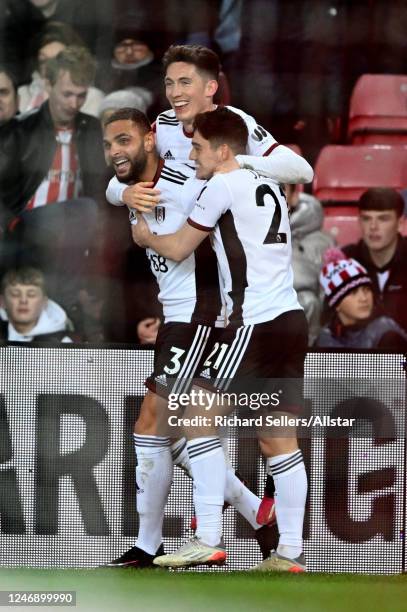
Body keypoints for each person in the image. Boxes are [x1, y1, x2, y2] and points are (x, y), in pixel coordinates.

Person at [133, 107, 308, 572]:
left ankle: (206, 536)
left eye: (198, 147)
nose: (192, 155)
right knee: (278, 439)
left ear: (224, 150)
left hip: (252, 322)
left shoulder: (220, 186)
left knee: (194, 412)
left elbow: (177, 247)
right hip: (291, 321)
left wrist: (145, 234)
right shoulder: (269, 183)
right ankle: (289, 552)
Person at [102, 107, 276, 569]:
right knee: (171, 435)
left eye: (125, 140)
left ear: (150, 140)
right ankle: (255, 512)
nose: (116, 151)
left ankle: (149, 544)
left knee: (150, 424)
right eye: (108, 144)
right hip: (175, 314)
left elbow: (227, 201)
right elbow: (114, 186)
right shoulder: (129, 189)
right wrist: (122, 190)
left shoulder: (186, 182)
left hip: (200, 314)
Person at [105, 44, 313, 212]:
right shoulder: (163, 124)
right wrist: (124, 194)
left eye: (185, 82)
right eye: (170, 83)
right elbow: (118, 177)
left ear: (210, 87)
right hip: (177, 239)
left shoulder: (235, 122)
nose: (175, 93)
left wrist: (238, 163)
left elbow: (302, 170)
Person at [0, 45, 109, 329]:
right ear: (48, 85)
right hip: (25, 232)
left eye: (82, 95)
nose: (74, 103)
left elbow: (99, 187)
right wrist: (9, 223)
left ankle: (64, 309)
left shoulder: (91, 128)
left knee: (88, 212)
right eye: (67, 93)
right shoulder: (20, 130)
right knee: (84, 210)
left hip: (70, 238)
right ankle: (65, 302)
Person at [343, 188, 407, 333]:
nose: (373, 227)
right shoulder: (346, 261)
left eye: (383, 219)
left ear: (400, 223)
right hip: (359, 353)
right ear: (359, 222)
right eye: (366, 218)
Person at [316, 254, 407, 350]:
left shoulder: (386, 334)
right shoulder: (324, 338)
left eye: (366, 289)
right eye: (353, 292)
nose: (364, 298)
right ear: (336, 304)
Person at [18, 22, 105, 118]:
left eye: (58, 59)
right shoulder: (23, 94)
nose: (49, 66)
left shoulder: (92, 97)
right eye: (43, 61)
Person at [286, 183, 335, 345]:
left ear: (294, 196)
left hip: (309, 342)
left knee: (307, 301)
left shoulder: (323, 244)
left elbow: (329, 301)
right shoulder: (244, 236)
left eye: (281, 188)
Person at [0, 267, 73, 342]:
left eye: (31, 295)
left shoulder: (62, 342)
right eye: (15, 294)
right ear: (2, 302)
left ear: (44, 303)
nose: (23, 300)